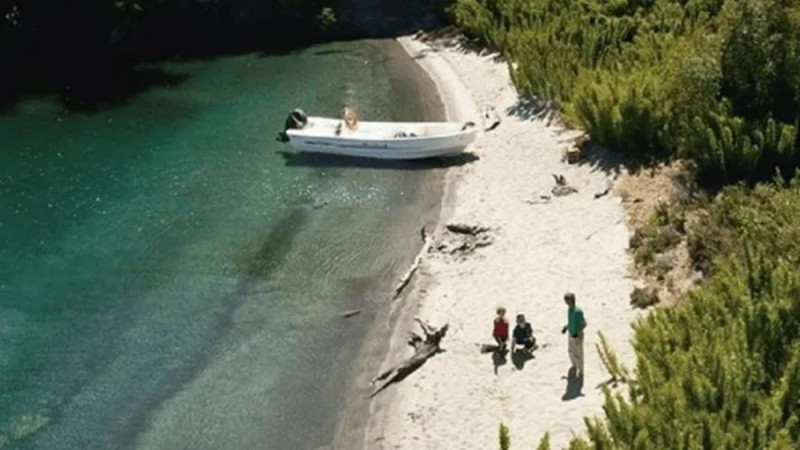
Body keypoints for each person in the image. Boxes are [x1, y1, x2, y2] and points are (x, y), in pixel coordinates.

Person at [561, 292, 587, 378]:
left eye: (567, 301)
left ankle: (581, 371)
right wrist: (566, 327)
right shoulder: (569, 310)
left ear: (571, 300)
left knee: (579, 354)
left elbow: (584, 324)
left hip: (577, 336)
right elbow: (571, 321)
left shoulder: (578, 311)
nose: (566, 303)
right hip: (570, 334)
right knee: (570, 351)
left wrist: (578, 333)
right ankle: (575, 366)